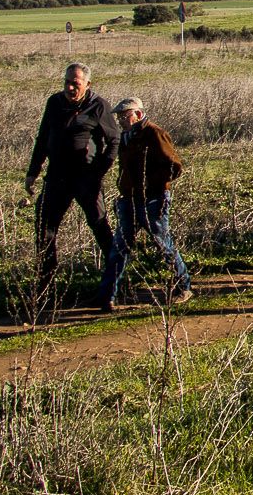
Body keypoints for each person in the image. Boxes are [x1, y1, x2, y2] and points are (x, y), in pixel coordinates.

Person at [24, 62, 119, 315]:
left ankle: (115, 287)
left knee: (100, 227)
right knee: (44, 229)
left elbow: (113, 141)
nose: (69, 87)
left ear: (87, 85)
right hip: (56, 177)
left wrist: (99, 172)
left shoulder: (99, 106)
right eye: (66, 82)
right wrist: (33, 172)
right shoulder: (54, 103)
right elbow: (43, 137)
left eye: (75, 84)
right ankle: (44, 294)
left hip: (86, 178)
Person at [100, 96, 191, 311]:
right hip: (129, 200)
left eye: (125, 115)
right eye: (119, 116)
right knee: (119, 248)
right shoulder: (126, 137)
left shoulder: (154, 134)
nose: (121, 120)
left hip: (153, 200)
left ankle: (183, 286)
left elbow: (174, 167)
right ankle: (106, 296)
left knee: (163, 244)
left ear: (138, 114)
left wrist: (151, 185)